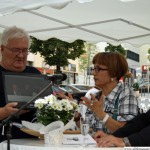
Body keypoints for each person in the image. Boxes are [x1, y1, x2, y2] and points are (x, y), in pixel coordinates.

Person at [0, 26, 41, 142]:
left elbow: (48, 107)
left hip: (33, 144)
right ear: (2, 49)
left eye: (24, 50)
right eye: (16, 50)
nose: (21, 55)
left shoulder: (35, 74)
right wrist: (4, 112)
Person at [81, 52, 139, 133]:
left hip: (112, 146)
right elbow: (90, 130)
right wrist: (75, 114)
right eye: (93, 69)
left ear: (114, 73)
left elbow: (126, 131)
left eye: (98, 69)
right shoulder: (95, 96)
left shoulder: (126, 94)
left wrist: (101, 114)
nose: (93, 73)